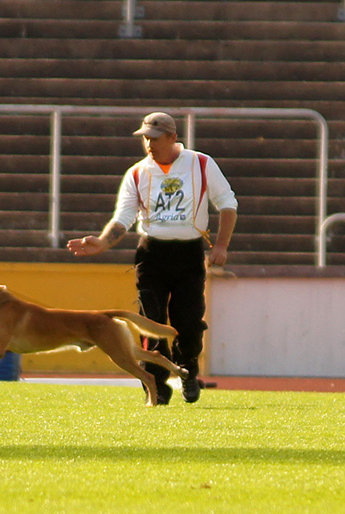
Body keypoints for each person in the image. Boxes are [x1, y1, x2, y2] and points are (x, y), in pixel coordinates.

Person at [66, 112, 238, 404]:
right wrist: (103, 243)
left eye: (155, 138)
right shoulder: (137, 172)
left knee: (189, 323)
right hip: (152, 254)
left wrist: (220, 246)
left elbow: (228, 204)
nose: (149, 144)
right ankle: (156, 386)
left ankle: (187, 371)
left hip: (189, 253)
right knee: (150, 321)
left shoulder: (200, 163)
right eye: (145, 138)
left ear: (173, 137)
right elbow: (123, 217)